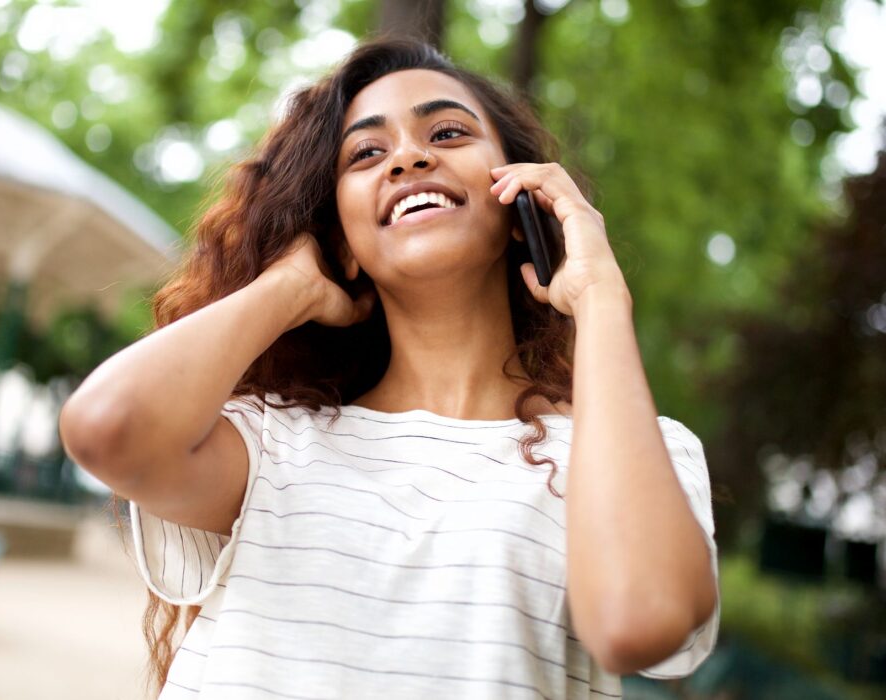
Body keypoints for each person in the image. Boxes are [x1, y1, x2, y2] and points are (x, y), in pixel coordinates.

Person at [59, 37, 719, 699]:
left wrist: (600, 298)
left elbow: (640, 620)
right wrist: (288, 287)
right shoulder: (272, 441)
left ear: (525, 209)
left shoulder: (637, 451)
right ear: (342, 242)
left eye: (448, 132)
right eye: (366, 153)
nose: (408, 156)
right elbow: (107, 429)